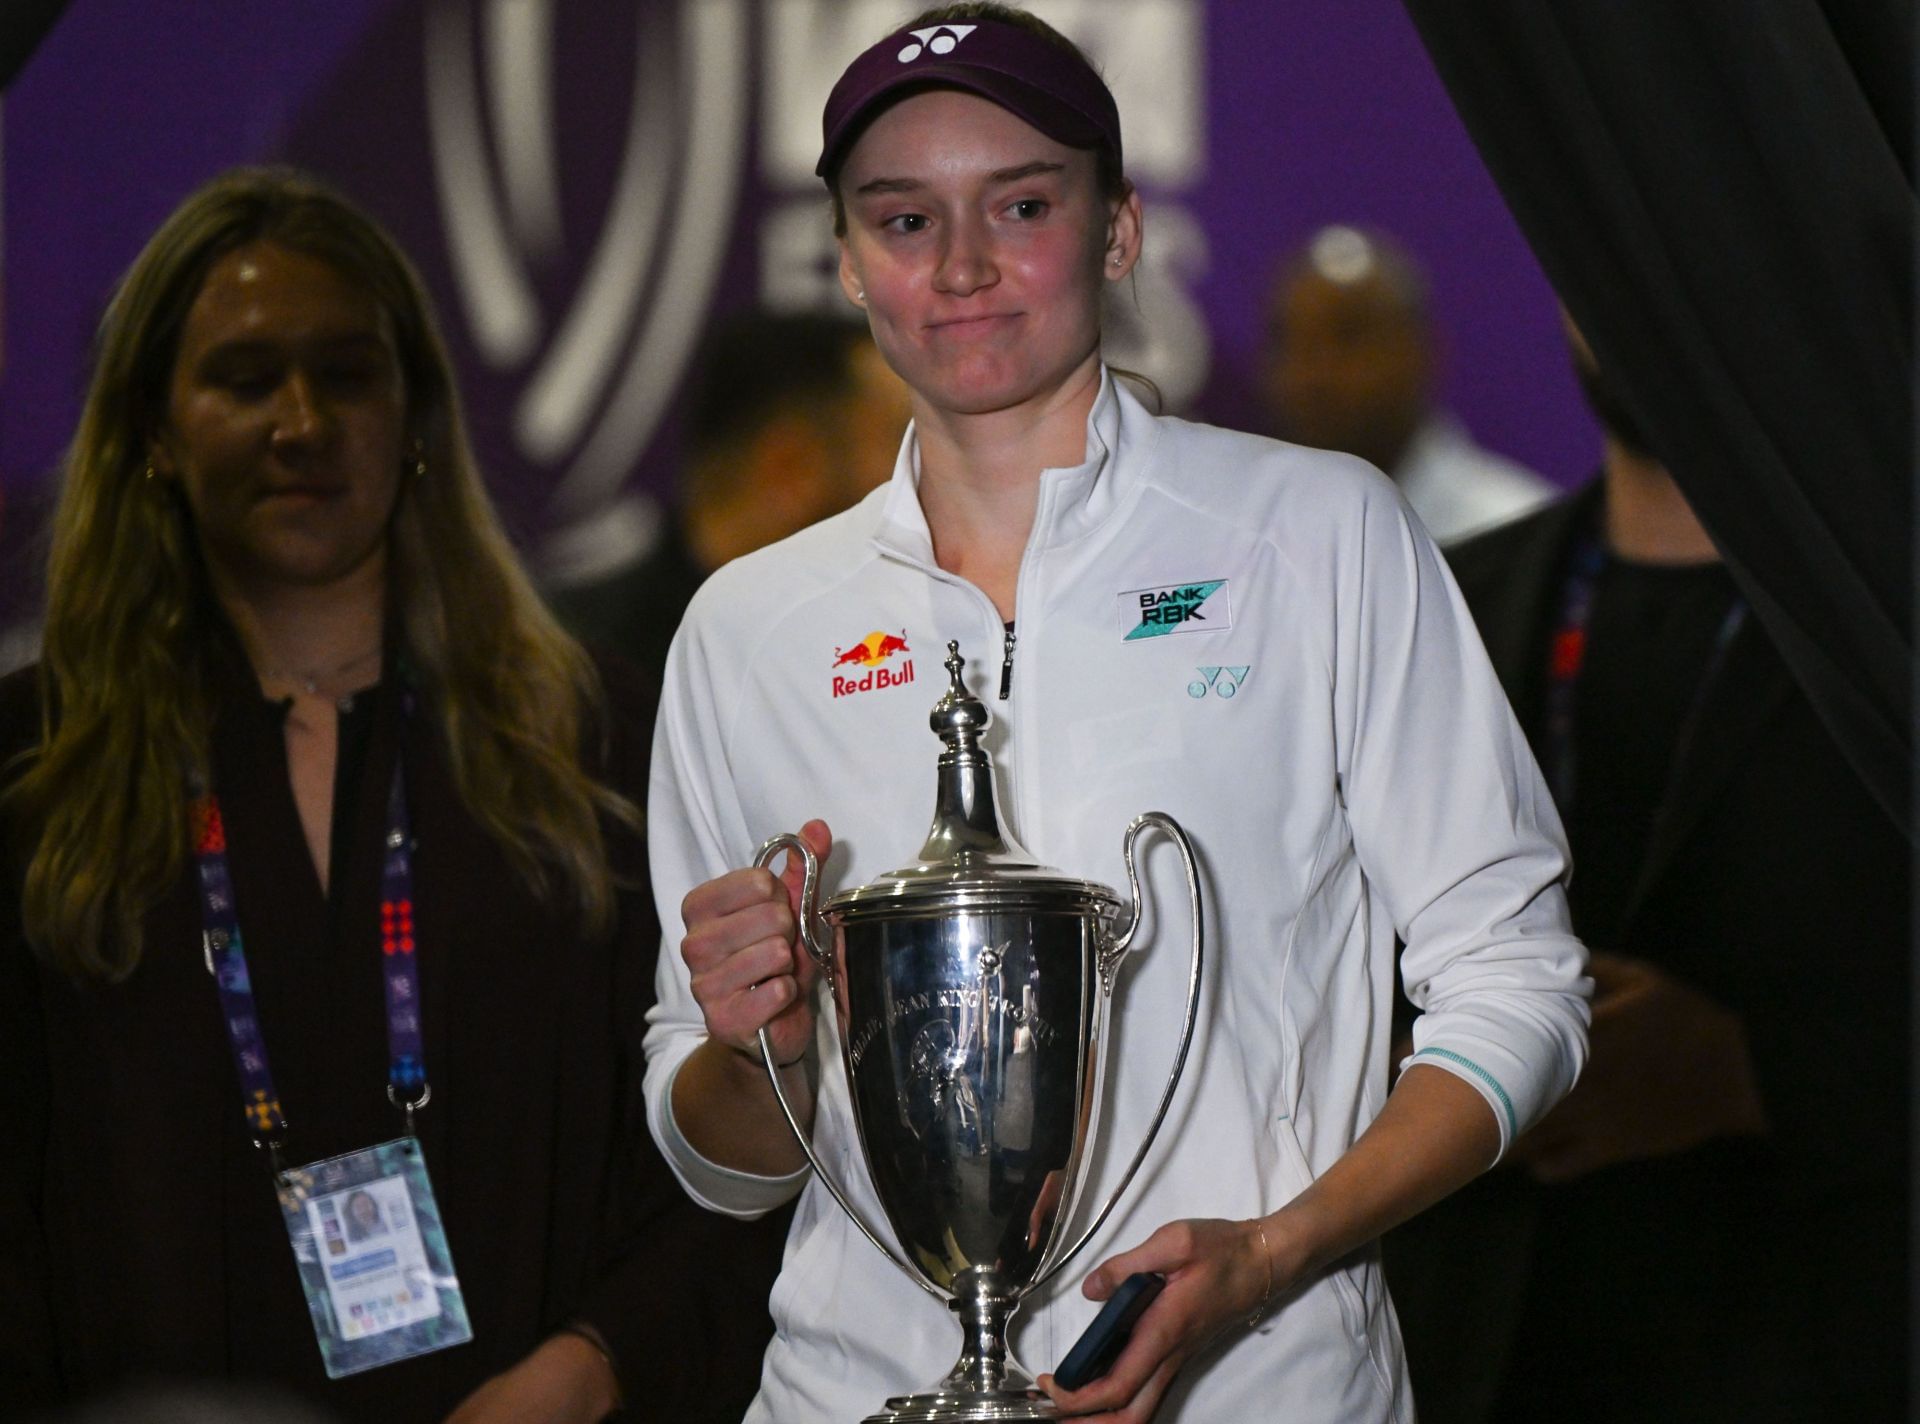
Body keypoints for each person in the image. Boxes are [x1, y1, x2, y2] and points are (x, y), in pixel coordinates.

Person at [640, 7, 1589, 1421]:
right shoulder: (748, 627)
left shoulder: (1318, 536)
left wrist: (1271, 1256)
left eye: (1021, 204)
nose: (961, 266)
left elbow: (1522, 989)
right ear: (845, 261)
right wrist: (759, 1047)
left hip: (1262, 1388)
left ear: (1120, 231)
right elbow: (725, 1158)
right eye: (904, 220)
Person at [0, 167, 783, 1424]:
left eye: (347, 373)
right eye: (246, 377)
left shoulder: (600, 744)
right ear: (152, 426)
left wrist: (597, 1363)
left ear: (416, 414)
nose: (302, 421)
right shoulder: (28, 768)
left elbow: (746, 1152)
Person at [1384, 322, 1910, 1422]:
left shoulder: (1883, 619)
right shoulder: (1438, 605)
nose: (1623, 281)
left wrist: (1754, 1074)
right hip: (1479, 1354)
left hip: (1827, 1344)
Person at [552, 311, 908, 688]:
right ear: (791, 468)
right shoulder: (576, 684)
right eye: (904, 440)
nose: (934, 474)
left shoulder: (910, 651)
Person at [1261, 225, 1553, 543]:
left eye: (1349, 337)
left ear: (1421, 351)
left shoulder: (1516, 535)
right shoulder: (1252, 536)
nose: (1317, 374)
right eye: (1292, 343)